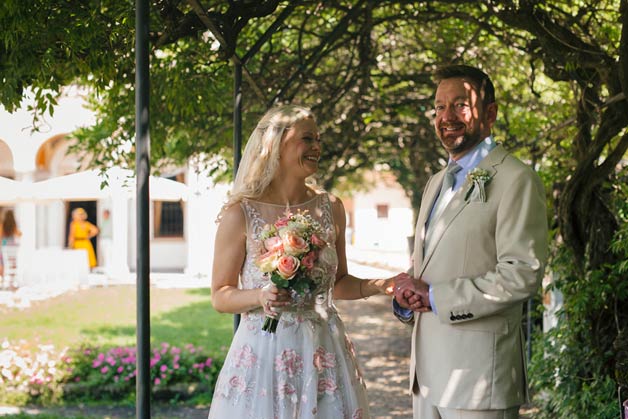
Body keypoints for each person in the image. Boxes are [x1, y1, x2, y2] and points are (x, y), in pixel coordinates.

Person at [207, 104, 402, 419]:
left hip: (322, 349)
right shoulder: (240, 214)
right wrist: (259, 297)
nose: (316, 148)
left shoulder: (332, 207)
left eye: (318, 140)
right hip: (264, 356)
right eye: (307, 139)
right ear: (275, 144)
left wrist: (379, 285)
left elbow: (338, 284)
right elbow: (220, 294)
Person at [392, 65, 548, 419]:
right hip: (426, 378)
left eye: (460, 105)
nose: (447, 117)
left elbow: (521, 274)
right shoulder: (435, 182)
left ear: (489, 113)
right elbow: (432, 264)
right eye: (439, 107)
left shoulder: (516, 179)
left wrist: (434, 297)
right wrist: (407, 293)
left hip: (479, 379)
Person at [0, 209, 22, 278]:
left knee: (2, 257)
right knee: (13, 261)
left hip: (4, 244)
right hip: (12, 246)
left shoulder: (3, 224)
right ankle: (12, 277)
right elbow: (19, 234)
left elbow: (1, 235)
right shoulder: (14, 225)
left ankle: (2, 276)